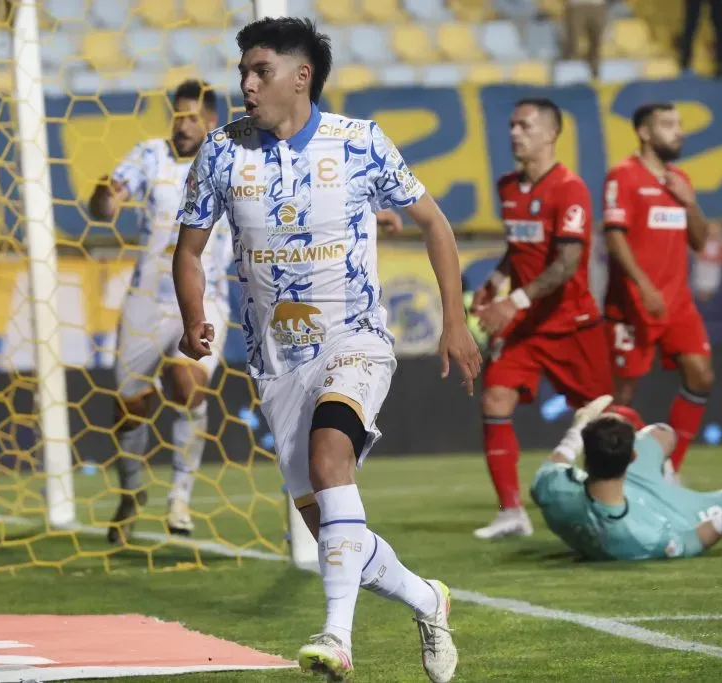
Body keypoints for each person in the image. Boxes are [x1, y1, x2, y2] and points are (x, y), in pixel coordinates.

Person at [172, 17, 480, 683]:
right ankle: (429, 598)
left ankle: (337, 638)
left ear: (300, 76)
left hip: (356, 341)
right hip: (276, 364)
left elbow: (434, 222)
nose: (246, 84)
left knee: (329, 453)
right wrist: (194, 316)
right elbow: (190, 249)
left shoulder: (361, 143)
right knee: (337, 532)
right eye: (243, 71)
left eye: (260, 71)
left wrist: (455, 320)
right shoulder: (223, 153)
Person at [89, 80, 234, 542]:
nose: (183, 125)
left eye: (192, 117)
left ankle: (180, 499)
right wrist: (105, 198)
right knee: (131, 405)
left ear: (211, 121)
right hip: (146, 299)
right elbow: (109, 198)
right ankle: (132, 491)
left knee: (186, 381)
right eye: (178, 116)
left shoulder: (231, 160)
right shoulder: (149, 154)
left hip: (203, 296)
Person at [470, 98, 613, 540]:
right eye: (511, 125)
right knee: (495, 400)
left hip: (571, 322)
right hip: (526, 328)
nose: (514, 132)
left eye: (525, 126)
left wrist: (513, 302)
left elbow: (566, 263)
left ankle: (650, 475)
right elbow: (520, 249)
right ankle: (511, 511)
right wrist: (495, 281)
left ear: (550, 134)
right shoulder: (508, 187)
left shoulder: (570, 189)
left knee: (608, 419)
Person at [531, 395, 722, 560]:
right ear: (632, 456)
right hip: (662, 512)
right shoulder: (638, 535)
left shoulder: (554, 488)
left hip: (615, 488)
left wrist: (581, 423)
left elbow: (556, 462)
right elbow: (689, 542)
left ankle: (666, 480)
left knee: (663, 434)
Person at [602, 102, 713, 481]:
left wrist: (690, 202)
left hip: (677, 303)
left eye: (679, 124)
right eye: (668, 125)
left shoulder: (679, 179)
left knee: (701, 375)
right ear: (645, 133)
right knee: (620, 397)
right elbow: (615, 238)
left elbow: (699, 241)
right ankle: (608, 475)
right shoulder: (623, 175)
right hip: (633, 304)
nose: (678, 131)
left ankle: (670, 467)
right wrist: (644, 286)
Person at [563, 0, 608, 80]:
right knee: (574, 43)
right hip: (576, 5)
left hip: (597, 5)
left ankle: (595, 73)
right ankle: (568, 76)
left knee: (597, 42)